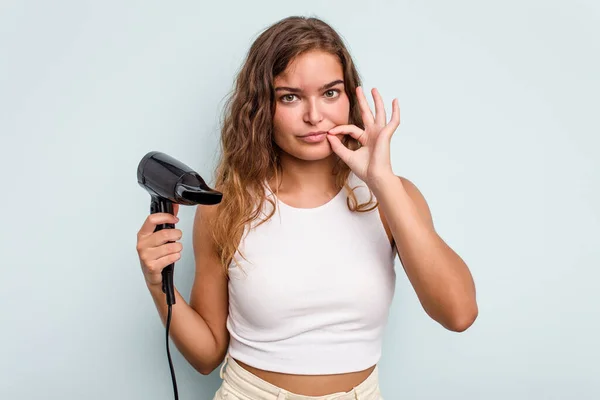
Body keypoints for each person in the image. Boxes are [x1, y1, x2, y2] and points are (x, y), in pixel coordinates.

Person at [136, 16, 478, 400]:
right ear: (261, 107)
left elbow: (459, 313)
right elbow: (206, 355)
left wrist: (383, 182)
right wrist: (156, 283)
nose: (314, 116)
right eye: (290, 97)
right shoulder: (226, 207)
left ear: (350, 97)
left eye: (330, 93)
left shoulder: (390, 197)